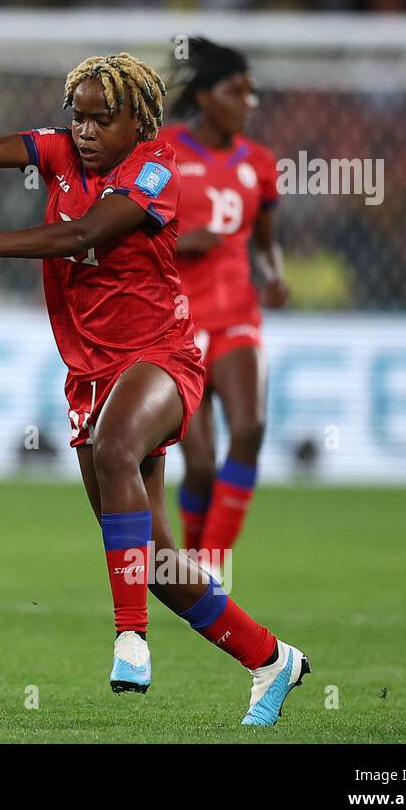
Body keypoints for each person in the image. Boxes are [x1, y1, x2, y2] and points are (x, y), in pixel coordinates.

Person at [0, 52, 308, 725]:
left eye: (101, 119)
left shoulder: (153, 171)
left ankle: (130, 638)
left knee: (117, 449)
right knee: (158, 558)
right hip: (90, 374)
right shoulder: (64, 154)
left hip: (161, 356)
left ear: (138, 121)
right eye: (78, 116)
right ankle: (270, 660)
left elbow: (83, 233)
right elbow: (25, 144)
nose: (84, 131)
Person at [159, 37, 287, 567]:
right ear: (206, 97)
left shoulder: (259, 163)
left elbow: (265, 238)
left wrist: (275, 275)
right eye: (238, 91)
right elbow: (125, 226)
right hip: (179, 324)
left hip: (237, 315)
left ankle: (211, 569)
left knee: (251, 428)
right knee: (202, 467)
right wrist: (178, 240)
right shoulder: (163, 150)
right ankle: (194, 570)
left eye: (253, 93)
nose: (249, 103)